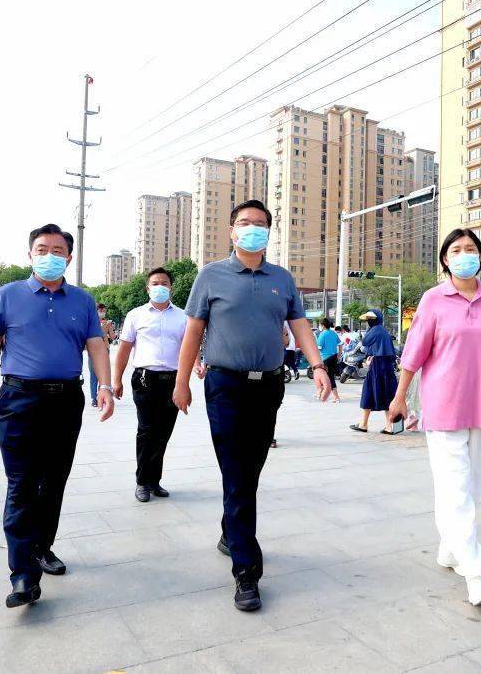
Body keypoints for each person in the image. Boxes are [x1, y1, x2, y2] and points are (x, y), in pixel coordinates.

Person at [173, 199, 331, 613]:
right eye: (245, 223)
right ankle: (247, 570)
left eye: (260, 224)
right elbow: (193, 332)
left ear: (269, 232)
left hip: (269, 388)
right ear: (231, 230)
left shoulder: (282, 278)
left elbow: (299, 324)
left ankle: (231, 532)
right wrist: (181, 383)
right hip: (225, 385)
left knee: (250, 470)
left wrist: (317, 365)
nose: (253, 229)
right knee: (239, 474)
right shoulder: (211, 276)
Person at [388, 229, 481, 607]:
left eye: (470, 249)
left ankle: (450, 550)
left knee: (468, 487)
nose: (464, 254)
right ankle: (475, 572)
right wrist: (400, 396)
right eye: (456, 250)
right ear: (444, 260)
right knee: (456, 487)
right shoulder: (433, 299)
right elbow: (414, 352)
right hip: (442, 406)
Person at [0, 223, 114, 609]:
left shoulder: (82, 301)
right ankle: (22, 575)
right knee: (21, 484)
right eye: (41, 248)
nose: (49, 255)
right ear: (30, 254)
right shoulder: (9, 294)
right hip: (19, 398)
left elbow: (96, 344)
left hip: (66, 399)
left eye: (57, 250)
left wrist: (105, 385)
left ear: (69, 256)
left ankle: (42, 548)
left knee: (53, 482)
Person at [114, 267, 187, 502]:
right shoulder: (136, 315)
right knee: (146, 431)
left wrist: (195, 365)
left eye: (164, 283)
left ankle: (155, 480)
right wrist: (116, 379)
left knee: (164, 432)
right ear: (148, 288)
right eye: (155, 283)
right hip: (145, 379)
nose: (160, 287)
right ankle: (142, 482)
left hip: (172, 380)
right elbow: (124, 348)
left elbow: (189, 345)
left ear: (171, 287)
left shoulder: (183, 316)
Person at [348, 309, 399, 434]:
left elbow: (365, 342)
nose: (369, 322)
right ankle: (389, 426)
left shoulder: (375, 330)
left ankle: (364, 424)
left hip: (377, 365)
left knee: (368, 391)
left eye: (370, 319)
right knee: (388, 394)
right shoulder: (383, 331)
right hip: (387, 366)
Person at [88, 302, 117, 407]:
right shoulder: (90, 322)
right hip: (95, 349)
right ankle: (94, 398)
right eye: (100, 310)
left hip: (104, 349)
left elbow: (113, 337)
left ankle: (100, 396)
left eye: (103, 310)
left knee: (102, 374)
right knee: (94, 375)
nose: (102, 312)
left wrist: (111, 328)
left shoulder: (107, 323)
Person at [316, 318, 341, 403]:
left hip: (326, 359)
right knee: (329, 376)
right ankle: (321, 392)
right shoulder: (333, 333)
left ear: (322, 325)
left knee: (328, 377)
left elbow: (318, 347)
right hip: (334, 357)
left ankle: (336, 397)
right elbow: (340, 344)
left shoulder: (323, 334)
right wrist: (339, 353)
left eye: (320, 325)